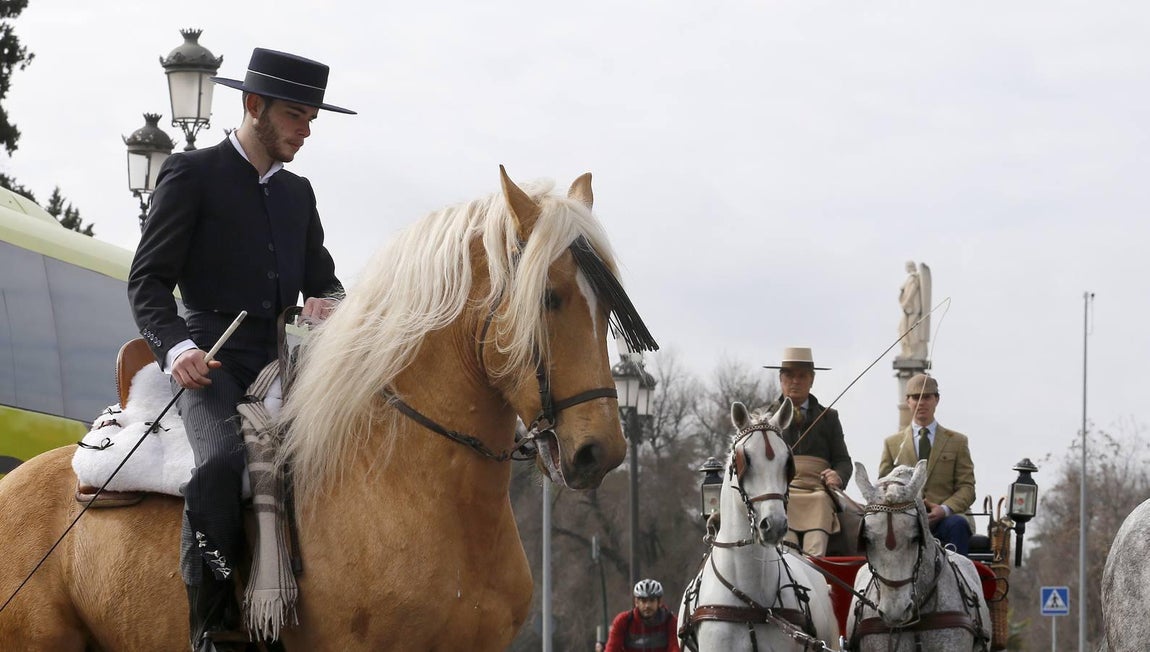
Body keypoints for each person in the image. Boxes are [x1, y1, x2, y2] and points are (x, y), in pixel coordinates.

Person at [127, 47, 354, 651]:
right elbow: (147, 281)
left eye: (311, 120)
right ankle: (211, 621)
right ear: (253, 105)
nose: (305, 132)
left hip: (283, 359)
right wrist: (176, 349)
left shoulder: (298, 194)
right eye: (294, 116)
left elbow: (324, 280)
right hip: (208, 360)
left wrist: (328, 302)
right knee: (224, 464)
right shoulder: (191, 173)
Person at [763, 347, 853, 556]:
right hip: (782, 489)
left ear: (812, 380)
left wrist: (837, 475)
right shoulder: (765, 418)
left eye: (802, 376)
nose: (795, 381)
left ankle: (815, 564)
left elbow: (843, 461)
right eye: (789, 375)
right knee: (780, 509)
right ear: (780, 379)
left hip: (818, 490)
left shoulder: (829, 418)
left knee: (821, 502)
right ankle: (788, 562)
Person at [879, 373, 976, 554]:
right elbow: (883, 487)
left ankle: (958, 580)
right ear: (907, 401)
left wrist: (944, 510)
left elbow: (967, 488)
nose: (921, 402)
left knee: (958, 525)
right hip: (906, 520)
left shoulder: (958, 441)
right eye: (916, 397)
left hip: (948, 521)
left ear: (936, 400)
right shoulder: (892, 444)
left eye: (927, 397)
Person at [605, 579, 681, 652]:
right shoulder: (623, 621)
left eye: (652, 600)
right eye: (643, 601)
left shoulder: (670, 621)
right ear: (636, 602)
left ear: (659, 602)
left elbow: (675, 647)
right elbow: (612, 648)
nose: (647, 605)